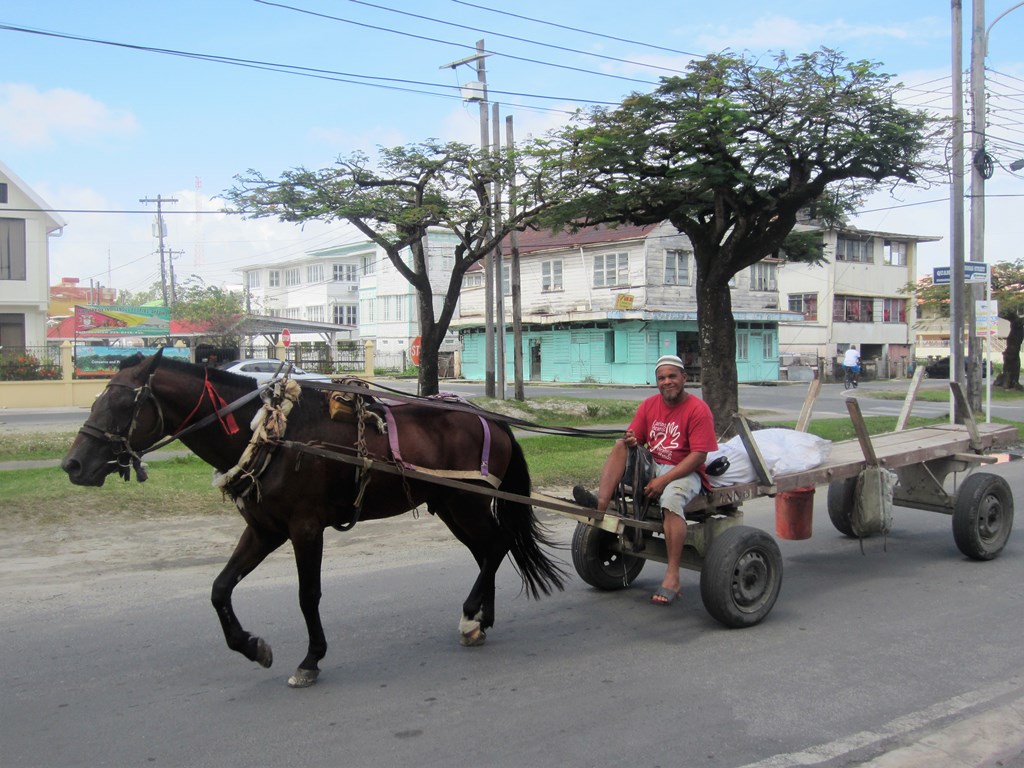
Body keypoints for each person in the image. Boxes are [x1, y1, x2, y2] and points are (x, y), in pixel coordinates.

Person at [574, 355, 717, 606]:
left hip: (684, 471)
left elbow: (699, 456)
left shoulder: (697, 409)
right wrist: (631, 441)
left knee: (671, 500)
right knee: (620, 445)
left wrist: (663, 482)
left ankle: (672, 575)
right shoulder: (649, 405)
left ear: (684, 378)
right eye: (661, 378)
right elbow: (635, 440)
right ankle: (600, 506)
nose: (667, 382)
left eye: (672, 376)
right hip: (653, 466)